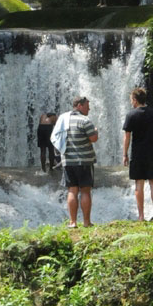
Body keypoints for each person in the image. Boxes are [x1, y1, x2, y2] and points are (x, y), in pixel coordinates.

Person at [53, 96, 98, 228]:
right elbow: (94, 138)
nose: (89, 108)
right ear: (79, 106)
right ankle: (86, 222)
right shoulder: (85, 120)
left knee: (72, 190)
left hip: (68, 161)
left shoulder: (63, 119)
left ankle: (72, 222)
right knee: (85, 191)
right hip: (84, 161)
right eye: (87, 105)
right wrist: (96, 131)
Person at [122, 87, 153, 221]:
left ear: (135, 99)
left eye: (131, 100)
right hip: (151, 152)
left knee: (139, 184)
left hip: (137, 153)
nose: (131, 102)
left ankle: (140, 216)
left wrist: (125, 154)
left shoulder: (131, 115)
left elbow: (127, 137)